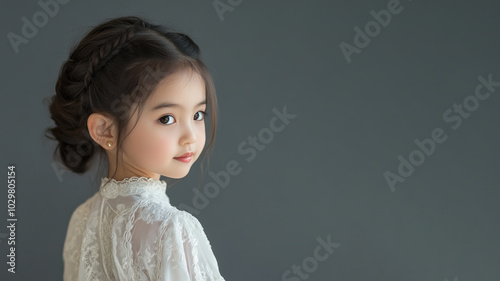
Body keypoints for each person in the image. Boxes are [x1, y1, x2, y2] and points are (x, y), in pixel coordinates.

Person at [44, 15, 225, 280]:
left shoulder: (82, 219)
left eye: (198, 114)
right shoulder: (172, 229)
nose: (191, 137)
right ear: (105, 130)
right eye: (167, 118)